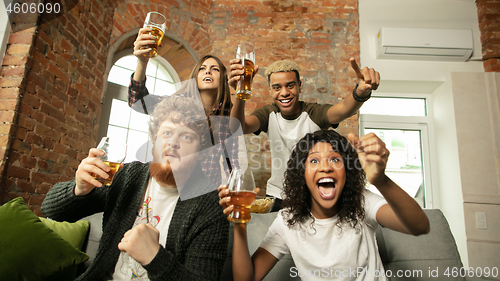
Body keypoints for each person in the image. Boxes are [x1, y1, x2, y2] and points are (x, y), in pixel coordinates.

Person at [41, 96, 229, 281]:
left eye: (186, 136)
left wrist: (155, 258)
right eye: (167, 133)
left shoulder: (211, 205)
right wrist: (79, 189)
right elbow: (51, 211)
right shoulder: (128, 177)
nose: (173, 143)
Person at [218, 129, 430, 281]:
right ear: (302, 174)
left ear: (347, 171)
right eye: (314, 160)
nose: (325, 167)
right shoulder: (286, 221)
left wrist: (381, 180)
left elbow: (419, 226)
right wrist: (240, 222)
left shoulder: (362, 202)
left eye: (335, 160)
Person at [228, 58, 380, 209]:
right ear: (270, 91)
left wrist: (360, 92)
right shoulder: (269, 114)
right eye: (277, 87)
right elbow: (237, 128)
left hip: (311, 197)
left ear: (299, 86)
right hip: (276, 196)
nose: (284, 93)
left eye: (290, 85)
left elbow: (343, 109)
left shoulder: (313, 113)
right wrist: (240, 93)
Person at [129, 27, 242, 186]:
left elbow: (231, 160)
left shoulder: (228, 116)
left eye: (214, 69)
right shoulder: (177, 103)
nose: (207, 72)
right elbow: (137, 102)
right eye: (202, 69)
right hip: (173, 185)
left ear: (223, 79)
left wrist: (236, 189)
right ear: (195, 77)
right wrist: (142, 62)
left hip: (206, 191)